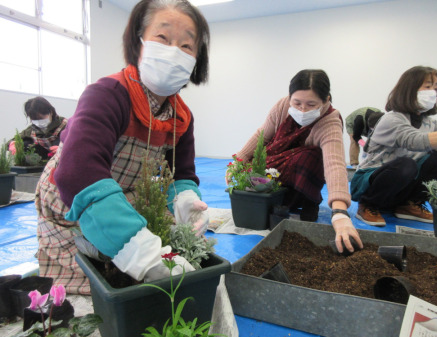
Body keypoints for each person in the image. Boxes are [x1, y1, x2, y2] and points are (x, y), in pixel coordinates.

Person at [35, 0, 211, 295]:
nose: (173, 52)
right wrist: (139, 251)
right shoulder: (108, 95)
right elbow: (79, 175)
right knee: (95, 290)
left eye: (186, 46)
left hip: (123, 200)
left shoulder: (181, 116)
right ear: (138, 42)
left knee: (152, 275)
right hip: (72, 206)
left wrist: (185, 201)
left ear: (197, 59)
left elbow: (181, 173)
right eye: (162, 38)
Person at [230, 69, 363, 254]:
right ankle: (269, 199)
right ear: (289, 97)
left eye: (311, 104)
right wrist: (238, 161)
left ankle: (301, 200)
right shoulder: (282, 106)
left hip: (298, 173)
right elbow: (263, 135)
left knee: (307, 158)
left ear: (326, 100)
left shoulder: (330, 121)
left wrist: (340, 213)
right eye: (297, 102)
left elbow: (335, 164)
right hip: (275, 163)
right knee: (252, 167)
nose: (302, 110)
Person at [351, 66, 437, 227]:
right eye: (427, 86)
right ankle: (368, 205)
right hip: (369, 182)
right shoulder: (392, 119)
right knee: (406, 164)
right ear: (409, 89)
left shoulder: (433, 124)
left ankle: (409, 204)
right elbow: (414, 140)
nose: (433, 91)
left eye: (436, 87)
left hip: (402, 187)